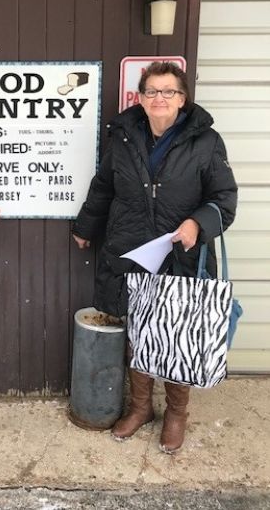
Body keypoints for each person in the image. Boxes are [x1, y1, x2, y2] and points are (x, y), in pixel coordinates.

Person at [72, 61, 237, 453]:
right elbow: (104, 188)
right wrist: (84, 227)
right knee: (138, 334)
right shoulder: (124, 137)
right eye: (152, 91)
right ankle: (141, 407)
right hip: (133, 254)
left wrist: (198, 223)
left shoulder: (207, 142)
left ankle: (177, 414)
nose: (160, 98)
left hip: (181, 255)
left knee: (177, 336)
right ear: (140, 98)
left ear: (182, 99)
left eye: (169, 91)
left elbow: (224, 199)